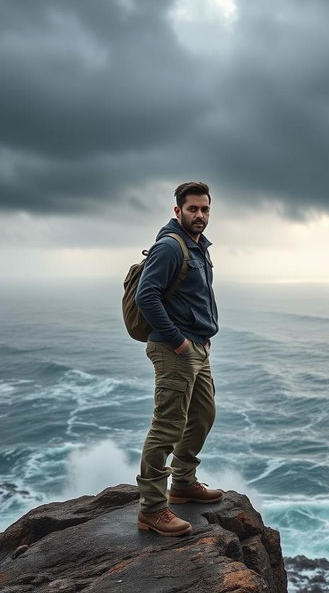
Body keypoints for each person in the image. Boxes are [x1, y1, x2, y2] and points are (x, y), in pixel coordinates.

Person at [134, 181, 222, 536]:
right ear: (178, 211)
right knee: (167, 427)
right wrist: (179, 342)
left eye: (204, 209)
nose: (199, 215)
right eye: (192, 209)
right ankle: (152, 508)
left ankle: (183, 483)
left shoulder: (197, 246)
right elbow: (147, 296)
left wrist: (198, 341)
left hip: (197, 346)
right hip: (176, 350)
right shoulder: (170, 247)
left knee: (202, 415)